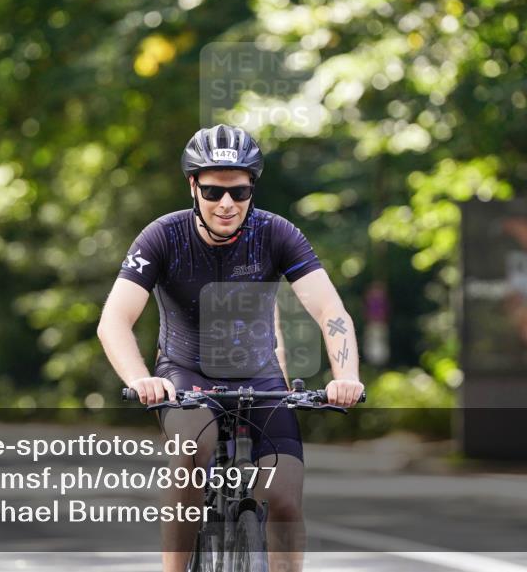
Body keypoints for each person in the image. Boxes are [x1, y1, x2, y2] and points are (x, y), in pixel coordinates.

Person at [97, 125, 364, 572]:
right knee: (191, 449)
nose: (227, 204)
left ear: (252, 188)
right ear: (193, 186)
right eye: (214, 190)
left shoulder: (276, 234)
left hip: (261, 378)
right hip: (186, 375)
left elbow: (330, 311)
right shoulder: (162, 236)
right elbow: (114, 321)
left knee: (283, 498)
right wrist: (140, 379)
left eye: (239, 192)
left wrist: (346, 376)